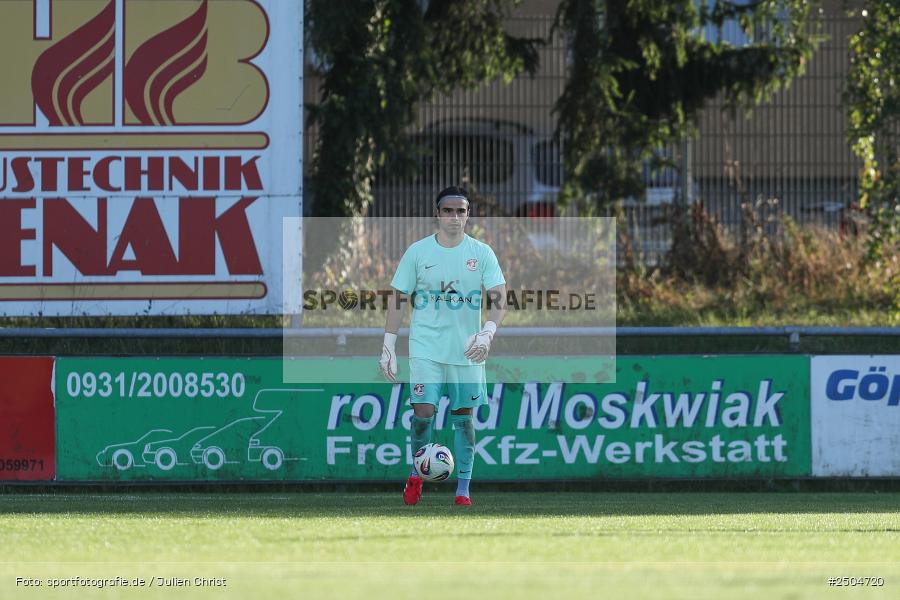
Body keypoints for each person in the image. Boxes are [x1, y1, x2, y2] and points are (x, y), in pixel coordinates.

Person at [379, 186, 506, 506]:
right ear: (437, 214)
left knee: (464, 418)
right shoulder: (418, 252)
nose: (454, 217)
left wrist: (488, 332)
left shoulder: (481, 253)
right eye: (447, 211)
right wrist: (389, 346)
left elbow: (500, 298)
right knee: (423, 413)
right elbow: (397, 300)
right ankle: (416, 474)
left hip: (467, 352)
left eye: (460, 211)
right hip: (426, 348)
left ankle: (463, 489)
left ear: (468, 215)